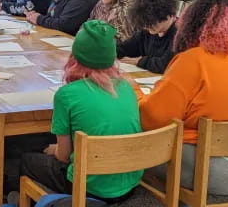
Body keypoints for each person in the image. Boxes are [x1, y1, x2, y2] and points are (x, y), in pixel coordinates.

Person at [134, 0, 228, 196]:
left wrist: (134, 91)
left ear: (192, 24)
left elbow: (152, 119)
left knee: (128, 135)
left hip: (212, 172)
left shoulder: (194, 60)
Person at [18, 20, 142, 203]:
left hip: (88, 186)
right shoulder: (127, 87)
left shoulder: (66, 94)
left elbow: (63, 156)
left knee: (25, 160)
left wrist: (55, 149)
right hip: (129, 184)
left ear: (75, 55)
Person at [116, 0, 177, 74]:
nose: (147, 27)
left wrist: (139, 61)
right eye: (145, 23)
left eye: (152, 23)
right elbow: (124, 48)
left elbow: (165, 64)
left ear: (168, 16)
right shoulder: (146, 31)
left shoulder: (179, 34)